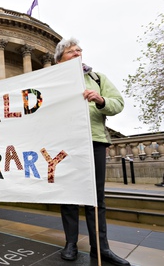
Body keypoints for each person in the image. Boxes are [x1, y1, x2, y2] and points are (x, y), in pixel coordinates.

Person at [54, 38, 130, 266]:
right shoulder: (50, 81)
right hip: (63, 144)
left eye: (79, 51)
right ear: (59, 59)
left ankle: (101, 247)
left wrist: (100, 99)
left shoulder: (97, 78)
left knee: (96, 198)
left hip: (94, 141)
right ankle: (71, 244)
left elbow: (118, 104)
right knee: (68, 195)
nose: (77, 54)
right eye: (71, 52)